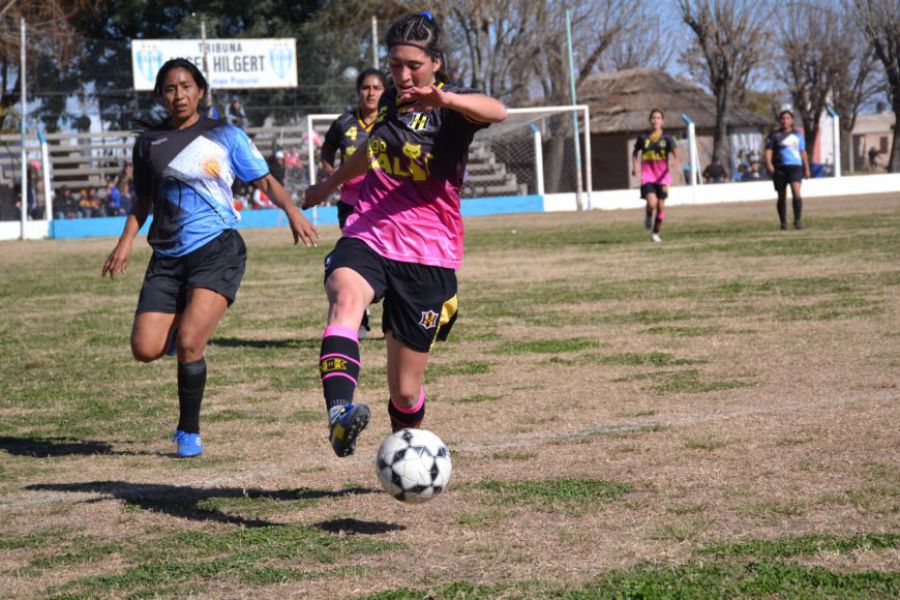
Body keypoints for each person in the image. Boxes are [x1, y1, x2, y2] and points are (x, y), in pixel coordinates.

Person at [303, 11, 507, 457]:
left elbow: (498, 110)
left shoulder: (452, 110)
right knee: (345, 296)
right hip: (370, 231)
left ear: (436, 62)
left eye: (413, 65)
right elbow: (372, 148)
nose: (403, 75)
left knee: (406, 391)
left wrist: (446, 101)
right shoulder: (393, 104)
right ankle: (339, 414)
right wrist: (329, 185)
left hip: (428, 255)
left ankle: (402, 450)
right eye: (396, 65)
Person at [101, 58, 318, 458]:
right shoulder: (149, 142)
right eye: (170, 88)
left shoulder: (225, 135)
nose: (178, 95)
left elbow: (265, 178)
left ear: (200, 91)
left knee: (188, 343)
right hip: (166, 257)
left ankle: (188, 432)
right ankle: (186, 321)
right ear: (161, 96)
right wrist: (125, 242)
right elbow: (143, 199)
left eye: (186, 86)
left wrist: (292, 211)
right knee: (145, 349)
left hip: (216, 250)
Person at [321, 68, 387, 338]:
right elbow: (326, 152)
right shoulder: (343, 123)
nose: (371, 93)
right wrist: (331, 176)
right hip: (351, 204)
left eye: (377, 88)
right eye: (366, 87)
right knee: (356, 253)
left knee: (388, 254)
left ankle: (392, 313)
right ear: (358, 91)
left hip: (386, 203)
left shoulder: (391, 121)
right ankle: (358, 309)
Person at [632, 109, 677, 243]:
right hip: (648, 176)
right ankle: (648, 214)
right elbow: (635, 153)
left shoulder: (667, 138)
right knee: (652, 203)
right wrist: (635, 166)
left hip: (663, 178)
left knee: (661, 206)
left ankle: (655, 233)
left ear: (662, 121)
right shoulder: (643, 137)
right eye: (653, 118)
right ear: (650, 120)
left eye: (658, 118)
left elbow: (676, 154)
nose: (656, 120)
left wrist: (675, 161)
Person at [765, 110, 810, 230]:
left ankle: (798, 220)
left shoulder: (798, 134)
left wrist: (807, 168)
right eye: (783, 118)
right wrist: (769, 164)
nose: (785, 121)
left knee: (796, 192)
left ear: (792, 120)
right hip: (780, 167)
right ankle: (783, 222)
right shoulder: (774, 135)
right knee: (781, 195)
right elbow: (769, 151)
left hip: (795, 166)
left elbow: (802, 151)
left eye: (787, 118)